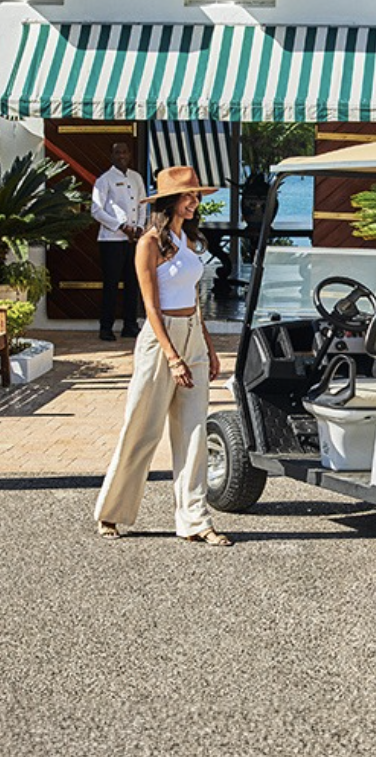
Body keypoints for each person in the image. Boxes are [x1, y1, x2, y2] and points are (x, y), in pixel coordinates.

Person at [95, 166, 232, 546]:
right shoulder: (149, 243)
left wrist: (206, 346)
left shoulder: (187, 240)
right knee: (142, 429)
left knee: (194, 434)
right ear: (170, 200)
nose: (194, 202)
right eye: (188, 196)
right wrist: (172, 356)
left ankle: (195, 520)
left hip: (192, 337)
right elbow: (151, 308)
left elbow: (195, 301)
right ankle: (112, 512)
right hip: (160, 341)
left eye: (196, 197)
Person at [91, 142, 147, 341]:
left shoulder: (136, 177)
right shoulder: (104, 180)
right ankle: (106, 328)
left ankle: (130, 325)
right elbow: (96, 210)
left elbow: (142, 205)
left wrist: (139, 227)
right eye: (117, 152)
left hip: (134, 240)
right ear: (111, 156)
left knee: (133, 283)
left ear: (129, 154)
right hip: (111, 240)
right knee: (111, 284)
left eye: (124, 152)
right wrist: (122, 226)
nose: (121, 155)